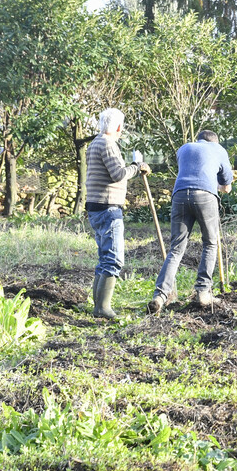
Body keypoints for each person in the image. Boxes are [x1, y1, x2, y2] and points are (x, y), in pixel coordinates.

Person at [147, 130, 234, 313]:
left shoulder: (184, 148)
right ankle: (203, 291)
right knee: (210, 243)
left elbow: (190, 170)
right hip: (205, 196)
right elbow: (226, 185)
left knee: (176, 248)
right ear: (215, 142)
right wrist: (220, 186)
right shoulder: (219, 150)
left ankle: (160, 295)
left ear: (199, 140)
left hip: (179, 195)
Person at [85, 108, 150, 319]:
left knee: (104, 256)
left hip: (96, 205)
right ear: (119, 127)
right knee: (114, 259)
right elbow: (118, 175)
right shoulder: (108, 144)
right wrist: (137, 166)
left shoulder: (95, 142)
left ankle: (98, 306)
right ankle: (103, 308)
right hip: (108, 206)